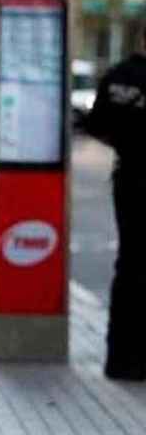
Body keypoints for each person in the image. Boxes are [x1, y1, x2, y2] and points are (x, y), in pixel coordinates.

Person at [87, 27, 146, 382]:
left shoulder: (117, 77)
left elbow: (96, 125)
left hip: (128, 179)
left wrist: (128, 143)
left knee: (129, 265)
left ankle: (121, 360)